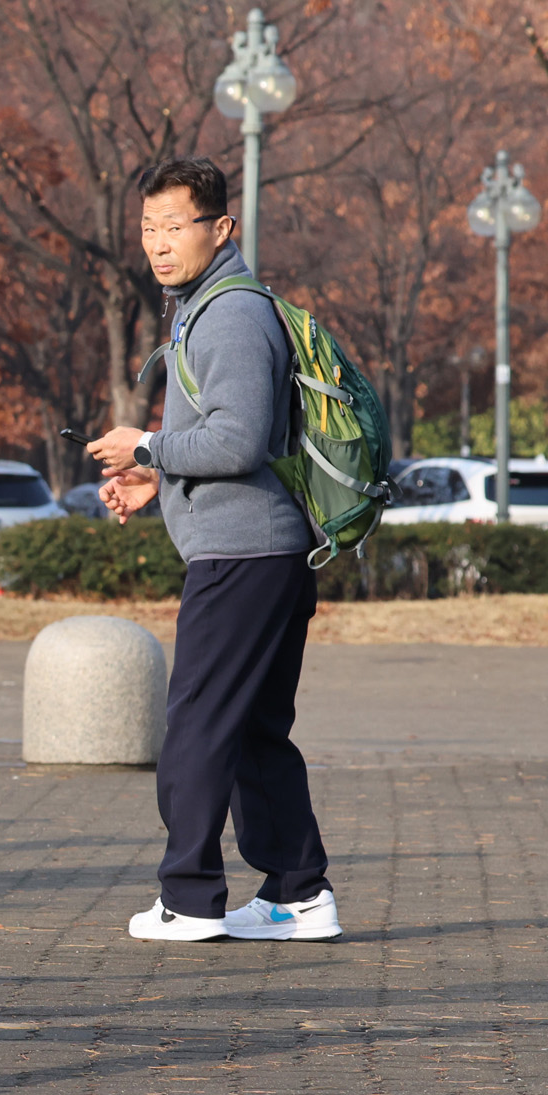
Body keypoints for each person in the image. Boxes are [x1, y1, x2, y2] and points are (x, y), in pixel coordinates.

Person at [87, 156, 343, 944]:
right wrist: (152, 479)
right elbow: (235, 438)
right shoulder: (202, 306)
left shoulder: (229, 312)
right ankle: (299, 894)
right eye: (148, 229)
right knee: (255, 729)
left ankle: (191, 897)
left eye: (176, 226)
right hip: (260, 552)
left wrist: (148, 447)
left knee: (197, 725)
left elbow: (235, 439)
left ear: (221, 227)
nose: (159, 244)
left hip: (243, 558)